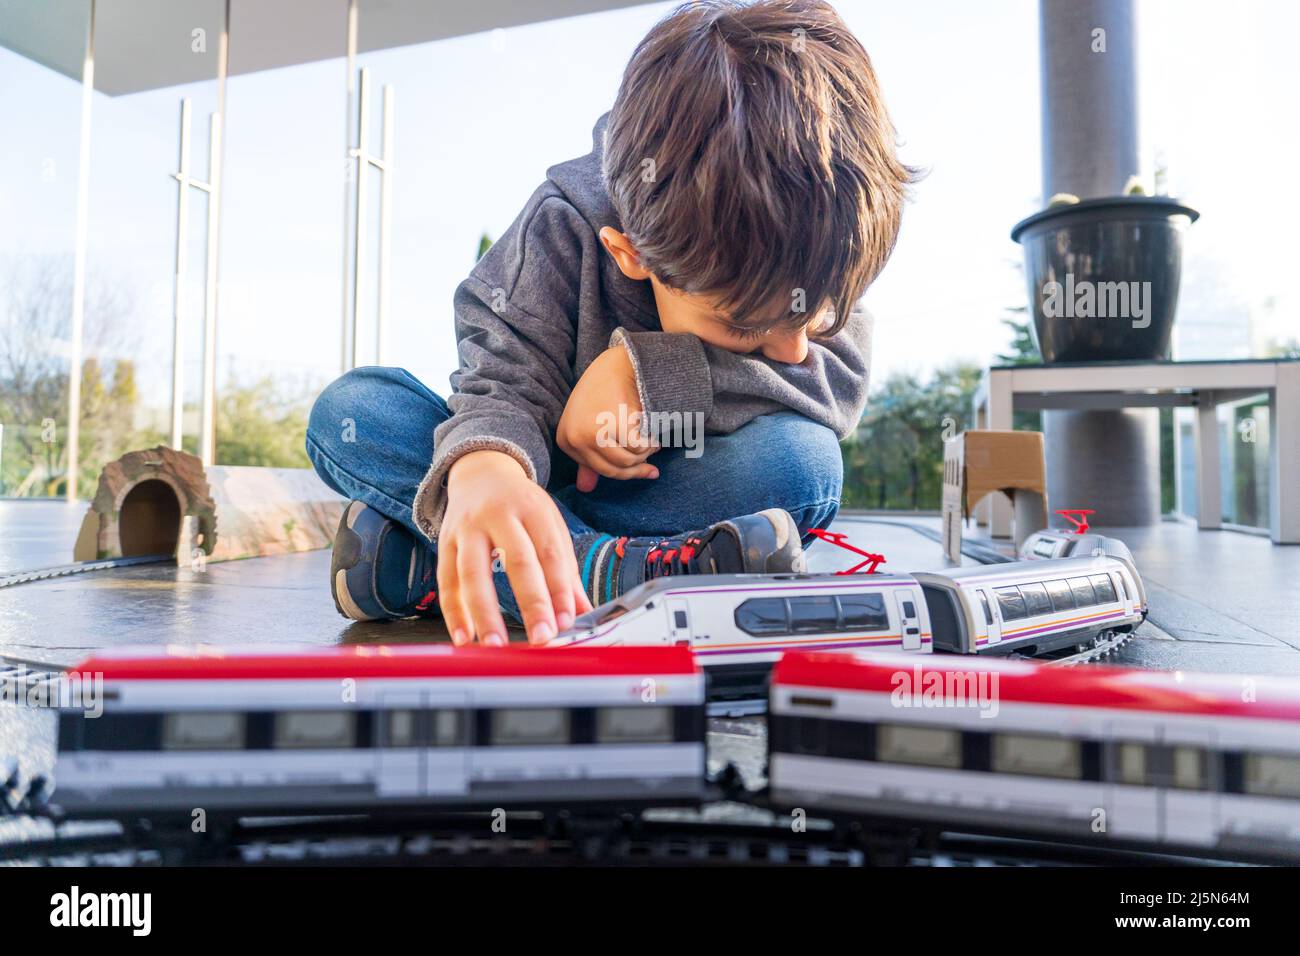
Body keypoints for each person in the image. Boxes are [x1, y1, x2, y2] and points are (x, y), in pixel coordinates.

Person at [306, 0, 913, 646]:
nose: (795, 351)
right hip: (539, 479)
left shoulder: (815, 240)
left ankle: (445, 565)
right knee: (353, 412)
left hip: (674, 489)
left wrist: (648, 371)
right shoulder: (561, 225)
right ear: (631, 253)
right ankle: (611, 570)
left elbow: (836, 383)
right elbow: (500, 383)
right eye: (746, 329)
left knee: (805, 463)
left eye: (818, 314)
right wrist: (487, 469)